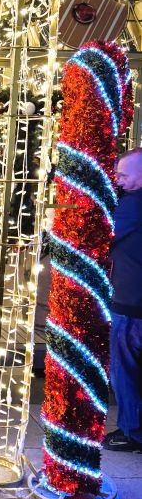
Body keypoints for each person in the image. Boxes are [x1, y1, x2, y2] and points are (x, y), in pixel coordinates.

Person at [104, 148, 142, 452]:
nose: (118, 179)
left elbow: (104, 235)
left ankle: (132, 432)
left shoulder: (133, 204)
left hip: (130, 304)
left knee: (125, 371)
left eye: (123, 174)